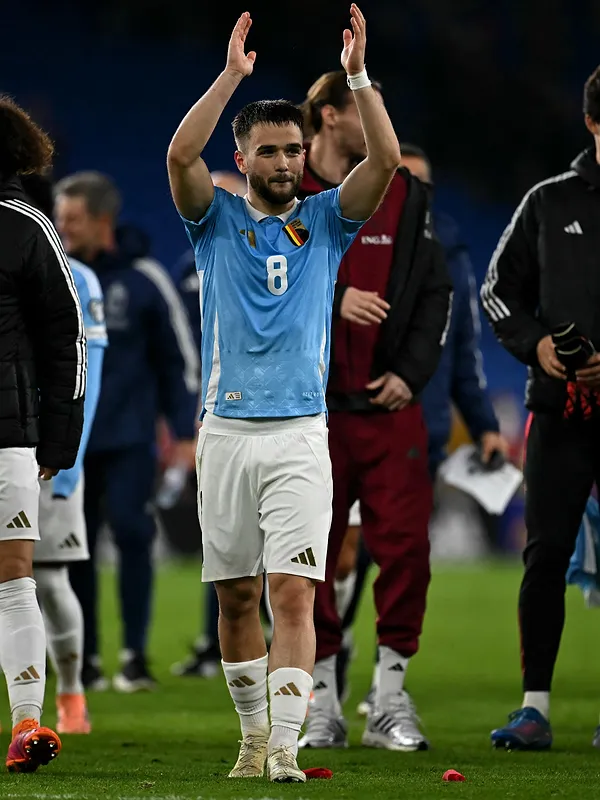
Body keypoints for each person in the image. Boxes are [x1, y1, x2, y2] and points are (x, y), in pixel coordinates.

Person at [167, 4, 400, 782]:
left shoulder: (329, 223)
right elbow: (178, 155)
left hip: (302, 434)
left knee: (296, 597)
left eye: (295, 150)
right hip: (227, 434)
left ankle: (286, 751)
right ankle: (251, 737)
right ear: (244, 156)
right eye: (269, 152)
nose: (286, 163)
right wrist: (232, 77)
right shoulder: (215, 221)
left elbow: (387, 161)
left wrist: (359, 75)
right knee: (236, 600)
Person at [295, 72, 451, 754]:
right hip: (309, 412)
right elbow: (255, 285)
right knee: (308, 560)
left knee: (408, 552)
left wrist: (410, 375)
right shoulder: (283, 191)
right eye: (367, 107)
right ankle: (321, 700)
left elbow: (435, 291)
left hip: (389, 409)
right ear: (330, 116)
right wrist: (332, 300)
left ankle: (389, 695)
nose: (378, 120)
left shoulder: (407, 195)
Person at [328, 143, 510, 720]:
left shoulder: (446, 253)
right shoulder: (352, 234)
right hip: (354, 418)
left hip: (418, 427)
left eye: (419, 182)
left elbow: (462, 351)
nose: (411, 191)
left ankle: (381, 681)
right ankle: (331, 662)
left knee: (400, 552)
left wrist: (480, 424)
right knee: (342, 549)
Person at [481, 64, 600, 750]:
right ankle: (534, 709)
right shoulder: (550, 203)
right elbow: (499, 292)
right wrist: (539, 348)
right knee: (545, 554)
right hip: (560, 410)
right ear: (591, 123)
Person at [54, 171, 200, 692]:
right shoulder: (56, 274)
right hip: (69, 442)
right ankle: (86, 659)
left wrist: (184, 431)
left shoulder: (144, 278)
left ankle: (134, 656)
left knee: (134, 535)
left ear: (102, 220)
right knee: (76, 546)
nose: (63, 229)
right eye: (61, 219)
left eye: (72, 220)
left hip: (130, 439)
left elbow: (177, 360)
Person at [0, 96, 86, 770]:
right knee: (16, 581)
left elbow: (67, 341)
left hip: (9, 434)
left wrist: (58, 440)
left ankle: (26, 727)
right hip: (14, 436)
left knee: (14, 578)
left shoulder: (26, 226)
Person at [20, 173, 107, 735]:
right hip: (11, 441)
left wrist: (70, 456)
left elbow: (88, 373)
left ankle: (71, 697)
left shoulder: (79, 279)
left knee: (50, 582)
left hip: (47, 453)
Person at [169, 169, 260, 680]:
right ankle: (215, 640)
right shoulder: (193, 264)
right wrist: (190, 422)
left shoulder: (286, 249)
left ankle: (317, 642)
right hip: (220, 412)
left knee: (285, 548)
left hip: (285, 414)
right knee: (225, 544)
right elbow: (184, 352)